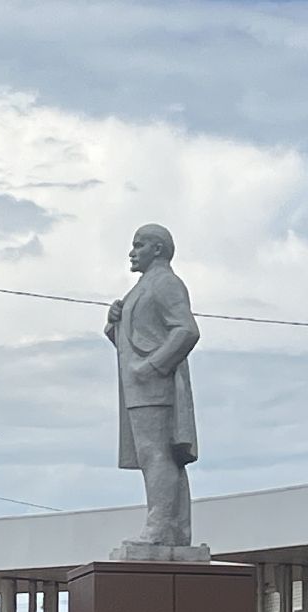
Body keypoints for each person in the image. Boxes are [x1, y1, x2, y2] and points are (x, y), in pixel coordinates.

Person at [104, 224, 200, 548]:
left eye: (139, 245)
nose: (132, 253)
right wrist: (114, 323)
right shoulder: (142, 287)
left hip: (154, 385)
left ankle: (159, 529)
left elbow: (186, 330)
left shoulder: (165, 283)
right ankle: (175, 531)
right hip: (141, 384)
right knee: (159, 455)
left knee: (155, 454)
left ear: (157, 249)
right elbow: (136, 340)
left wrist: (153, 366)